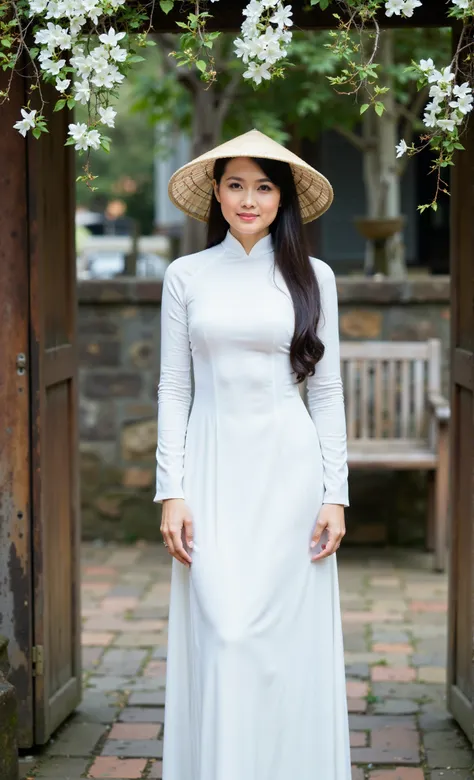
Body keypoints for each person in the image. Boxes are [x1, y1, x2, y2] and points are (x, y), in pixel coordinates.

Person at [154, 128, 351, 780]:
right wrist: (171, 491)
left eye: (263, 187)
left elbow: (326, 394)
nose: (248, 199)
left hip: (289, 476)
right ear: (215, 191)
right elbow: (174, 387)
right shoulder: (187, 276)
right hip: (212, 473)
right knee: (226, 634)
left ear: (282, 198)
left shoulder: (312, 277)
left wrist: (335, 495)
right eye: (235, 184)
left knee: (277, 647)